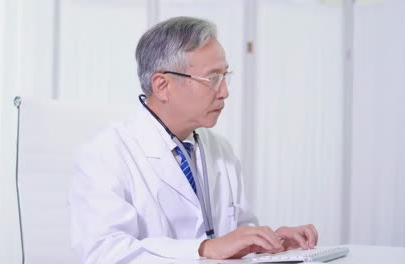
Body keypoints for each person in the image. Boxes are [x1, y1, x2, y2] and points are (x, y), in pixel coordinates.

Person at [68, 16, 318, 263]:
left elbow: (234, 240)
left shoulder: (220, 150)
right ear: (162, 85)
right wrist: (202, 249)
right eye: (213, 79)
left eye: (225, 76)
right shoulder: (105, 155)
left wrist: (267, 245)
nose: (225, 92)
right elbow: (103, 253)